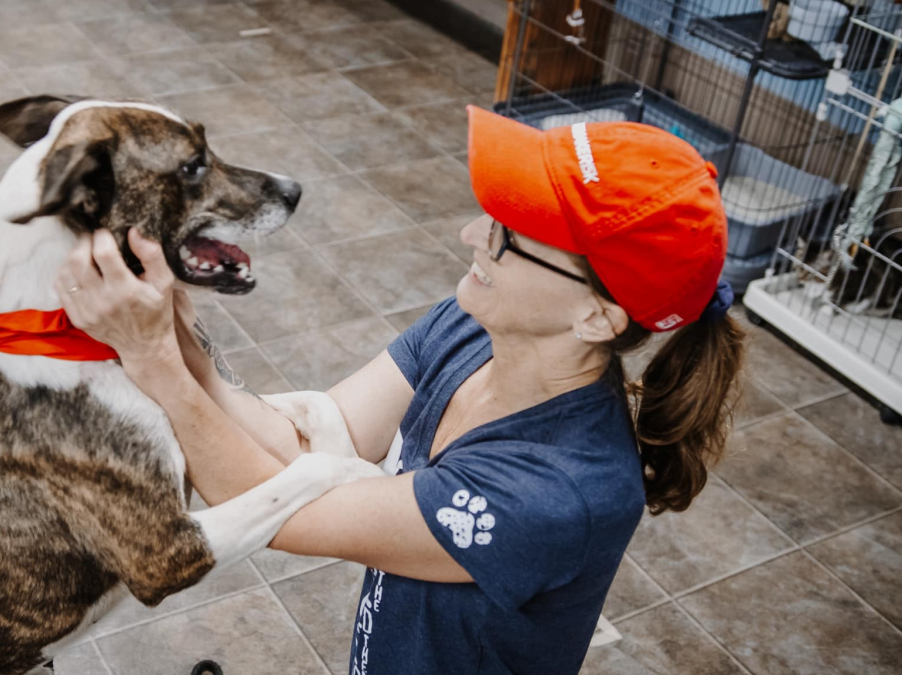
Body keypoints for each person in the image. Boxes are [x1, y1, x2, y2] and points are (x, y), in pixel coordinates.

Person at [54, 107, 746, 675]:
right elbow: (304, 448)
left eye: (511, 235)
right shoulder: (479, 323)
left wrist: (151, 358)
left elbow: (284, 519)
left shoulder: (557, 490)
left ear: (597, 315)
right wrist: (175, 330)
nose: (473, 233)